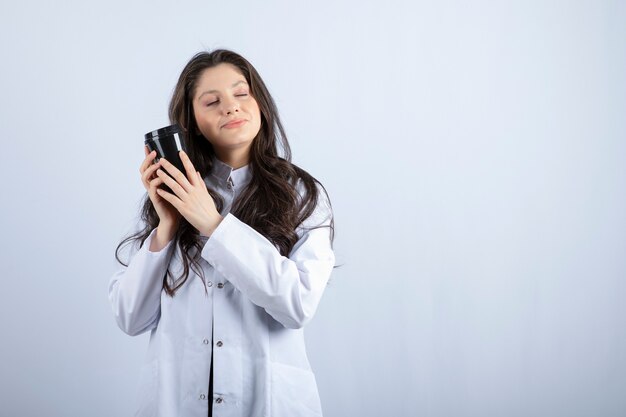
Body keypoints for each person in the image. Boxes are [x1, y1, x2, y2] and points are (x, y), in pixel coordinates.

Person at [108, 49, 336, 417]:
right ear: (193, 123)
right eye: (212, 101)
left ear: (260, 103)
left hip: (267, 402)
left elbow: (298, 304)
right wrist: (167, 227)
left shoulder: (303, 194)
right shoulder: (169, 196)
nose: (230, 107)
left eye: (241, 94)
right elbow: (130, 317)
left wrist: (213, 225)